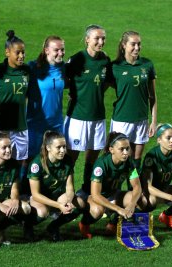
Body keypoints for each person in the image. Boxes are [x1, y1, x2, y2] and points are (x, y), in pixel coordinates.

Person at [63, 24, 113, 200]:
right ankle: (65, 191)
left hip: (98, 117)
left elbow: (107, 81)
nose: (101, 42)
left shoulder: (105, 60)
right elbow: (64, 80)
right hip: (77, 117)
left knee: (92, 157)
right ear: (87, 40)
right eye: (97, 38)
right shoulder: (76, 59)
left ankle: (85, 190)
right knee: (70, 158)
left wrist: (96, 92)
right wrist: (75, 93)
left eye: (103, 38)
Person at [23, 35, 66, 194]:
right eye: (56, 50)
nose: (60, 53)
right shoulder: (33, 68)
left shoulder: (63, 68)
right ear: (46, 50)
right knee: (31, 160)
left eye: (62, 50)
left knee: (54, 160)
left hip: (56, 124)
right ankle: (25, 194)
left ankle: (51, 195)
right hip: (36, 124)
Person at [78, 132, 142, 239]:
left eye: (127, 148)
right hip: (90, 195)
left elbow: (137, 187)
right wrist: (118, 209)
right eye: (122, 149)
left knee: (139, 200)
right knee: (98, 210)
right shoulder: (101, 164)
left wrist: (131, 204)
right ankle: (84, 223)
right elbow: (95, 195)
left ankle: (113, 224)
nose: (126, 153)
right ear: (111, 150)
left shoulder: (129, 162)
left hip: (112, 194)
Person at [110, 30, 158, 171]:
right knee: (120, 158)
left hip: (141, 119)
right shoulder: (115, 67)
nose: (137, 48)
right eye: (133, 44)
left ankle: (133, 190)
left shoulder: (147, 65)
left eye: (139, 44)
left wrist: (153, 121)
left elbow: (153, 96)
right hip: (122, 120)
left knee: (136, 159)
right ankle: (114, 189)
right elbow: (100, 88)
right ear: (124, 45)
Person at [27, 131, 85, 242]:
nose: (63, 150)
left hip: (58, 196)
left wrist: (68, 201)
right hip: (39, 199)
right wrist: (58, 205)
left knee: (79, 203)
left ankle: (53, 227)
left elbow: (70, 188)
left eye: (64, 147)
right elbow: (36, 194)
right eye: (58, 147)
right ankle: (28, 225)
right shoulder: (37, 164)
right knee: (43, 212)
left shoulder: (67, 160)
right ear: (48, 148)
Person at [0, 30, 30, 165]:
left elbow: (28, 93)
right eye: (18, 53)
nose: (21, 56)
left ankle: (17, 187)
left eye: (23, 52)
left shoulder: (27, 71)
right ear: (7, 52)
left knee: (19, 164)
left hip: (20, 126)